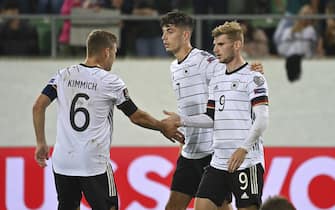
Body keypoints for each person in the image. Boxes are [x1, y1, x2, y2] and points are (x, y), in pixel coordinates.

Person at [32, 29, 183, 210]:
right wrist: (161, 126)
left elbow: (38, 106)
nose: (114, 58)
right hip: (92, 162)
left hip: (63, 161)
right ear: (107, 52)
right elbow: (136, 116)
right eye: (115, 53)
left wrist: (41, 142)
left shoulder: (63, 75)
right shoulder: (110, 81)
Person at [160, 11, 264, 210]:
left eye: (169, 31)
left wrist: (252, 69)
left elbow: (231, 69)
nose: (164, 37)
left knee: (215, 206)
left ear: (185, 35)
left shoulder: (204, 62)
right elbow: (188, 105)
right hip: (190, 152)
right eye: (163, 32)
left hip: (211, 150)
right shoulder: (174, 67)